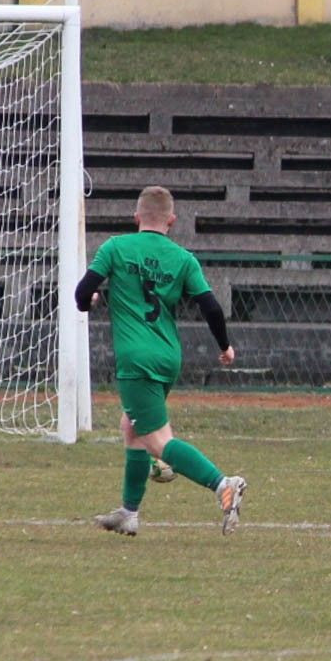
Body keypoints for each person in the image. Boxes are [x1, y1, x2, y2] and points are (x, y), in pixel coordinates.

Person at [76, 186, 247, 537]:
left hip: (135, 358)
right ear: (171, 220)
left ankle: (223, 485)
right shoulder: (183, 258)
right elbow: (211, 307)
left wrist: (89, 301)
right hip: (168, 356)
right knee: (131, 427)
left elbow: (82, 292)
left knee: (157, 443)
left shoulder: (116, 247)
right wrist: (225, 346)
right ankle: (129, 512)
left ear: (136, 217)